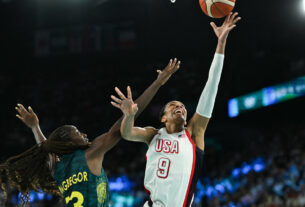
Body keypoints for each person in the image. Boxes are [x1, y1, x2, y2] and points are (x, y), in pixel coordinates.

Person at [0, 58, 181, 207]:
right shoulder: (91, 152)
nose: (84, 134)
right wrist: (156, 84)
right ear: (69, 142)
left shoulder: (59, 169)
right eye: (77, 132)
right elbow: (124, 123)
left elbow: (45, 147)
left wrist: (35, 127)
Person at [110, 12, 241, 207]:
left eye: (182, 106)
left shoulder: (194, 133)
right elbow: (126, 132)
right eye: (173, 105)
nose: (180, 107)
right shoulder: (153, 135)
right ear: (163, 118)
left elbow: (212, 84)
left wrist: (221, 43)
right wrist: (129, 116)